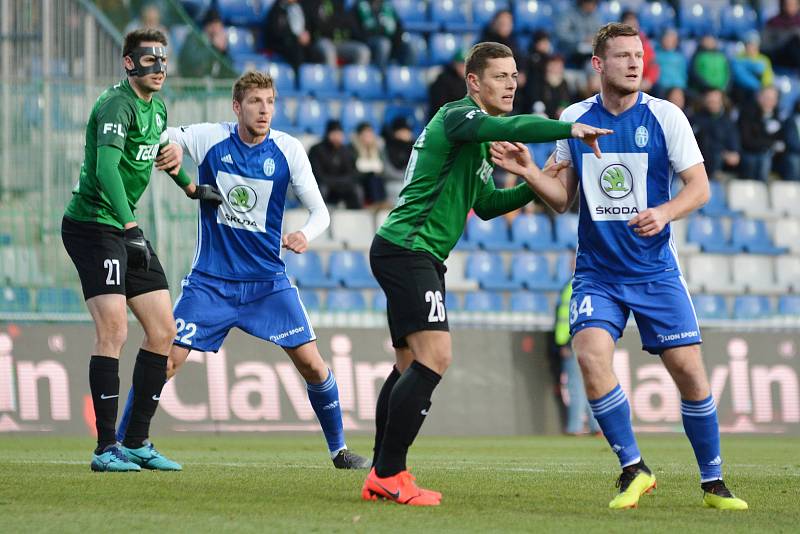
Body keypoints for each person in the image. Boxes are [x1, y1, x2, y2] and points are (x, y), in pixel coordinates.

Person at [489, 23, 748, 510]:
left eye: (638, 55)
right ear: (598, 64)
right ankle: (633, 467)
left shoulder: (665, 116)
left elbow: (700, 186)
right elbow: (563, 199)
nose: (633, 63)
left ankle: (713, 483)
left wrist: (665, 211)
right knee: (589, 357)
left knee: (690, 374)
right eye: (623, 55)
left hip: (655, 271)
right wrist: (527, 172)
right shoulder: (574, 117)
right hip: (598, 272)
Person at [361, 41, 611, 506]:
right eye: (500, 76)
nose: (512, 83)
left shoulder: (473, 144)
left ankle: (381, 470)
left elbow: (487, 206)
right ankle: (390, 473)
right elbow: (512, 125)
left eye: (515, 75)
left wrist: (532, 179)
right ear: (473, 81)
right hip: (408, 250)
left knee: (409, 366)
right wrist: (569, 128)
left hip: (414, 253)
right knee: (436, 356)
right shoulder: (459, 117)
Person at [116, 71, 371, 470]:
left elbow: (320, 211)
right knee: (165, 361)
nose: (264, 109)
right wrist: (175, 149)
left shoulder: (289, 150)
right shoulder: (212, 138)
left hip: (268, 284)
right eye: (255, 102)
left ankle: (339, 450)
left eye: (270, 101)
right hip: (210, 282)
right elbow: (163, 136)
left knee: (312, 364)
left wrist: (304, 233)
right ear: (237, 106)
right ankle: (124, 442)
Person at [61, 29, 222, 472]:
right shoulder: (117, 104)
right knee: (114, 330)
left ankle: (136, 442)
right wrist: (131, 226)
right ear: (128, 64)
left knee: (163, 330)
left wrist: (191, 187)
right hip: (94, 226)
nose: (159, 69)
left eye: (163, 61)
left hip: (123, 228)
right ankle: (104, 448)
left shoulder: (158, 109)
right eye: (149, 60)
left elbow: (157, 155)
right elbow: (106, 169)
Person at [554, 271, 599, 436]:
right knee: (590, 383)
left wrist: (565, 342)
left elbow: (569, 315)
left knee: (575, 386)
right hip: (584, 339)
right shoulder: (589, 280)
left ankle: (575, 426)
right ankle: (597, 426)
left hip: (573, 340)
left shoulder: (575, 283)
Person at [308, 119, 363, 208]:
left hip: (342, 185)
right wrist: (334, 181)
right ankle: (318, 215)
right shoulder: (316, 150)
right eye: (335, 133)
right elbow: (316, 174)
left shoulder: (346, 151)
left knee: (356, 189)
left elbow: (352, 173)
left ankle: (357, 217)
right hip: (324, 184)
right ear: (328, 134)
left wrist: (339, 182)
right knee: (321, 189)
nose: (338, 136)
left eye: (340, 133)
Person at [692, 89, 740, 180]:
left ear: (722, 102)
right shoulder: (695, 120)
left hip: (719, 162)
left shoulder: (728, 123)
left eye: (715, 101)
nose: (712, 104)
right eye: (710, 101)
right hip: (697, 163)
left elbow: (735, 155)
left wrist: (724, 154)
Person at [305, 0, 371, 67]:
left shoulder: (338, 2)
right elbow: (317, 25)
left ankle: (353, 77)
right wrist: (334, 23)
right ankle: (332, 76)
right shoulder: (311, 2)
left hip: (340, 42)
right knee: (329, 51)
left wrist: (331, 22)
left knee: (362, 51)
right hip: (320, 41)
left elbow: (346, 21)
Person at [264, 0, 324, 72]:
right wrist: (296, 38)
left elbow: (311, 26)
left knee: (317, 56)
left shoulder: (302, 6)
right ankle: (297, 80)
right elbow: (275, 32)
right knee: (297, 53)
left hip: (303, 43)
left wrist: (307, 36)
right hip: (286, 44)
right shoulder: (277, 8)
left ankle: (313, 80)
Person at [738, 85, 783, 181]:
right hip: (749, 152)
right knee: (758, 160)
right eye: (766, 98)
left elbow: (781, 141)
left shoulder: (777, 115)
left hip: (769, 154)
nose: (769, 102)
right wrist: (770, 144)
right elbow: (747, 141)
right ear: (759, 97)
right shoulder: (748, 112)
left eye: (772, 99)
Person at [177, 10, 237, 79]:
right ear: (208, 26)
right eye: (215, 24)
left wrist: (224, 52)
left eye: (219, 25)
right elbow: (194, 64)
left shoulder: (221, 43)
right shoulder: (194, 38)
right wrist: (214, 47)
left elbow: (229, 70)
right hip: (193, 84)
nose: (217, 29)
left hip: (215, 85)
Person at [428, 49, 467, 119]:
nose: (464, 68)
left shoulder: (471, 81)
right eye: (461, 64)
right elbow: (441, 107)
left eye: (466, 65)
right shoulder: (442, 80)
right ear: (454, 64)